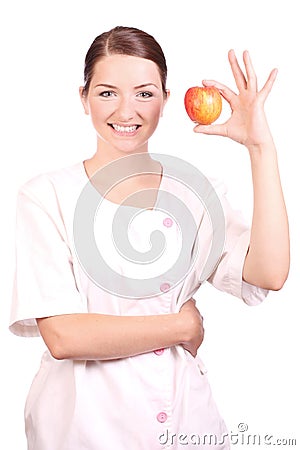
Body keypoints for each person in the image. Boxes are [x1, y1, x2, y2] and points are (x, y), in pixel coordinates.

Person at [9, 26, 289, 450]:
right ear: (83, 98)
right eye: (107, 93)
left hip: (185, 421)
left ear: (166, 100)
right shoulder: (46, 195)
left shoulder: (196, 193)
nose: (127, 110)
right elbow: (64, 336)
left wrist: (260, 147)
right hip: (81, 429)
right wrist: (178, 325)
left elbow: (269, 272)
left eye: (144, 93)